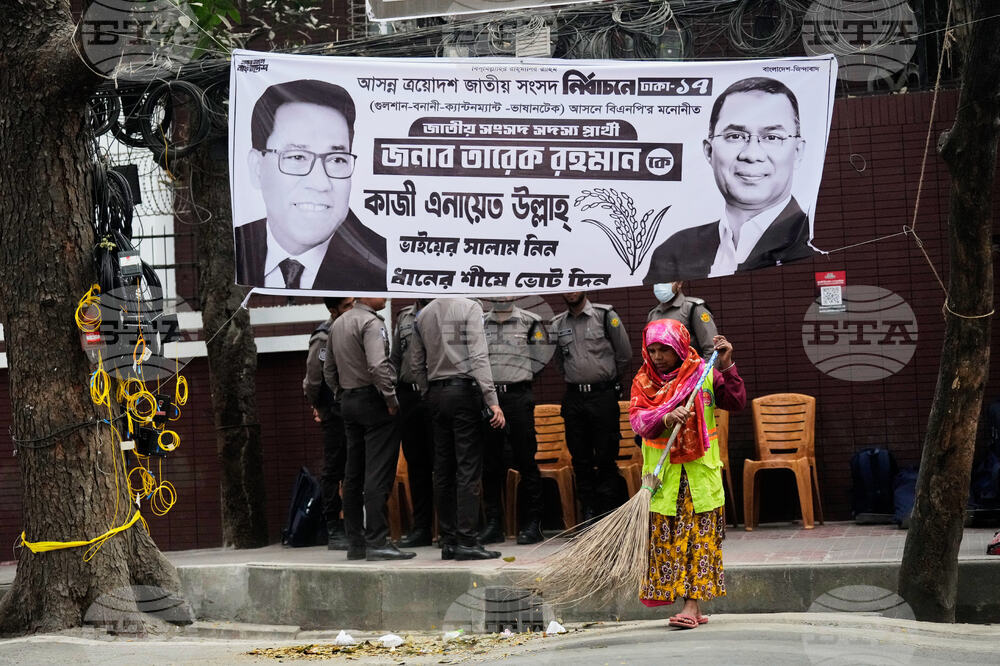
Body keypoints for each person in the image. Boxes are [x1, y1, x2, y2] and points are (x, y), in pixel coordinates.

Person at [629, 319, 746, 628]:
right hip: (663, 480)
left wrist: (727, 364)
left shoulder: (704, 374)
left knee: (699, 541)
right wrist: (664, 416)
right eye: (651, 350)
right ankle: (688, 605)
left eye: (663, 350)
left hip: (700, 477)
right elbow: (638, 422)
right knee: (668, 544)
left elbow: (736, 401)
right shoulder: (643, 381)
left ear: (679, 348)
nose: (656, 357)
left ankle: (691, 606)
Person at [644, 77, 813, 284]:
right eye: (735, 136)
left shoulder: (812, 241)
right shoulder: (674, 253)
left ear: (797, 151)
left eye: (772, 137)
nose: (752, 154)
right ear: (708, 151)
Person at [236, 79, 387, 291]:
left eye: (336, 159)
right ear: (257, 167)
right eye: (297, 157)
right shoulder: (233, 249)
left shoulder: (384, 262)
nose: (320, 183)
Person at [410, 298, 506, 560]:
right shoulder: (470, 307)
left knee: (442, 468)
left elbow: (416, 362)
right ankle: (467, 540)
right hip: (463, 393)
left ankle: (448, 539)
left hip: (436, 394)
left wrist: (427, 392)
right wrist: (492, 400)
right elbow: (478, 355)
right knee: (468, 467)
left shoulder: (422, 315)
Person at [324, 297, 413, 561]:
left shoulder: (337, 324)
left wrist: (342, 394)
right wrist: (391, 398)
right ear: (363, 296)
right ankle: (377, 541)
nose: (384, 296)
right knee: (378, 472)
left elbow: (328, 369)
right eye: (378, 291)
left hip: (349, 400)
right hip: (374, 401)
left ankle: (356, 543)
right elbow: (377, 365)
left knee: (353, 473)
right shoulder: (371, 323)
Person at [479, 297, 553, 545]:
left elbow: (540, 360)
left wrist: (519, 378)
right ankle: (493, 523)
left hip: (518, 397)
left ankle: (534, 523)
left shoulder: (530, 322)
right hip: (490, 400)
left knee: (525, 459)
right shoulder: (479, 323)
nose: (501, 295)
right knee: (490, 463)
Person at [551, 292, 631, 522]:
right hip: (575, 398)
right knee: (580, 458)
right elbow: (559, 361)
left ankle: (608, 513)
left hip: (602, 396)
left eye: (576, 286)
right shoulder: (558, 324)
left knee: (606, 455)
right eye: (566, 287)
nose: (571, 292)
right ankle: (589, 513)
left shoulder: (605, 316)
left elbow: (624, 354)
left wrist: (606, 380)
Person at [303, 296, 355, 549]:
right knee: (334, 469)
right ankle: (334, 527)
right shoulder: (323, 337)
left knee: (353, 468)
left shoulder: (355, 326)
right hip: (334, 411)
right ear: (333, 310)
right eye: (346, 306)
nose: (352, 309)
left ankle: (354, 524)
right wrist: (319, 406)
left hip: (354, 408)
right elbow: (313, 379)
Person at [389, 298, 435, 548]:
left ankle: (449, 528)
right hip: (409, 396)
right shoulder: (404, 317)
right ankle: (422, 529)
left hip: (436, 394)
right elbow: (395, 359)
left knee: (442, 463)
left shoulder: (443, 311)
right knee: (417, 466)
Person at [647, 282, 717, 358]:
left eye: (666, 280)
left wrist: (706, 369)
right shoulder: (653, 314)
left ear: (679, 283)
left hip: (693, 367)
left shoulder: (692, 308)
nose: (660, 285)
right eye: (657, 281)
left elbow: (712, 349)